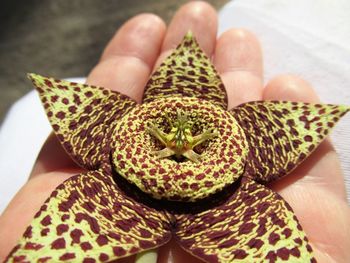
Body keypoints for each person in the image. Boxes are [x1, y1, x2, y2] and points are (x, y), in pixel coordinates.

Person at [0, 1, 349, 262]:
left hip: (218, 210)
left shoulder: (254, 175)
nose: (180, 146)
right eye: (168, 142)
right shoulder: (99, 207)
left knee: (25, 111)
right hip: (118, 202)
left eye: (189, 144)